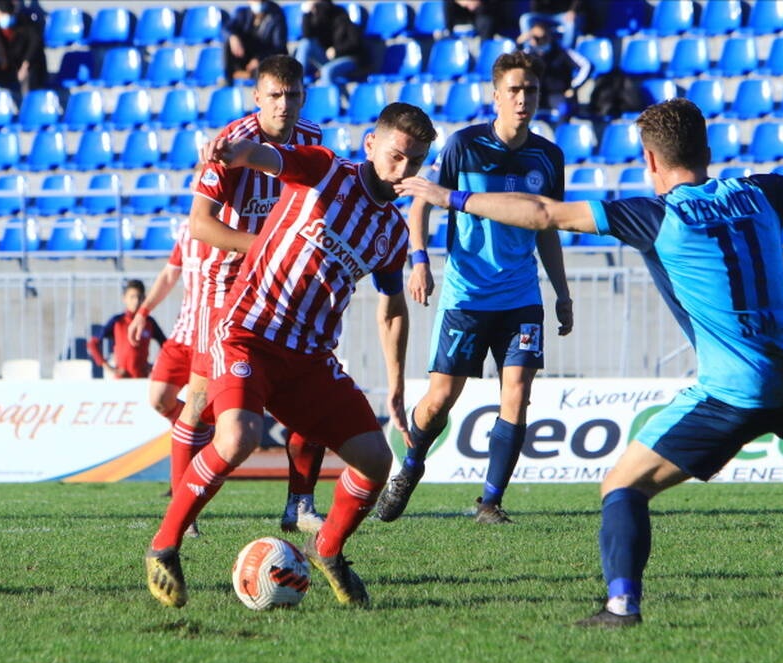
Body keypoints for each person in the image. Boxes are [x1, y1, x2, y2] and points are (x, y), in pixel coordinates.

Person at [396, 98, 783, 626]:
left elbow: (545, 214)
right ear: (706, 151)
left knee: (622, 486)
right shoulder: (760, 192)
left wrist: (450, 197)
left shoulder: (655, 215)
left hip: (733, 385)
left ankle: (622, 605)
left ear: (651, 160)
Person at [144, 101, 437, 609]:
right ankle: (164, 546)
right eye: (396, 157)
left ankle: (327, 550)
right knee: (237, 436)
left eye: (414, 163)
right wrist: (233, 151)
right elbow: (268, 156)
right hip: (250, 333)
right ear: (371, 145)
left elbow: (391, 310)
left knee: (375, 461)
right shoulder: (325, 169)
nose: (403, 172)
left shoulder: (392, 231)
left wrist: (395, 386)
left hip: (309, 360)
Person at [374, 51, 574, 526]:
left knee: (518, 393)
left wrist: (562, 292)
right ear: (495, 96)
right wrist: (418, 260)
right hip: (466, 295)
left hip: (522, 295)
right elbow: (422, 201)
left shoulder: (548, 156)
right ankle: (410, 467)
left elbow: (548, 226)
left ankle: (489, 502)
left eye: (531, 91)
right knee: (442, 398)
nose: (523, 99)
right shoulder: (464, 146)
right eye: (514, 90)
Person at [185, 55, 328, 535]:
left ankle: (300, 505)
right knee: (202, 397)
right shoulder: (230, 143)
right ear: (256, 97)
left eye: (292, 95)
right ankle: (187, 513)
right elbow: (200, 225)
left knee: (309, 385)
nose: (283, 105)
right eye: (274, 95)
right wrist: (265, 248)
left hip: (281, 281)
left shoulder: (313, 139)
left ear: (303, 96)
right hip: (225, 276)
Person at [127, 219, 210, 536]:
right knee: (159, 399)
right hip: (181, 334)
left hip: (208, 335)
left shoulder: (228, 226)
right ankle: (201, 430)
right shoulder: (189, 229)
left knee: (190, 417)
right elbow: (169, 273)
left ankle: (183, 511)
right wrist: (143, 312)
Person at [88, 279, 167, 379]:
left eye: (139, 297)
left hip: (141, 378)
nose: (136, 301)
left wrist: (155, 366)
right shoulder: (117, 321)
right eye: (132, 297)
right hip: (122, 378)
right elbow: (93, 343)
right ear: (124, 298)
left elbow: (165, 345)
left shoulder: (149, 322)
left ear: (144, 299)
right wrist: (108, 367)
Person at [0, 0, 46, 105]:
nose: (5, 18)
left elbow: (35, 46)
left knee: (29, 78)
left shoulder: (26, 26)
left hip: (25, 67)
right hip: (7, 68)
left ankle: (28, 108)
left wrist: (25, 65)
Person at [519, 17, 590, 122]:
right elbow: (509, 65)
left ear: (548, 37)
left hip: (557, 94)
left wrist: (573, 87)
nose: (535, 41)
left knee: (564, 110)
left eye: (539, 38)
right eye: (532, 38)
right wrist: (518, 44)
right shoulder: (528, 53)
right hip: (537, 93)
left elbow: (586, 66)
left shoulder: (562, 51)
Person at [295, 0, 367, 85]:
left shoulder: (341, 14)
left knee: (326, 71)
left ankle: (330, 97)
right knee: (305, 43)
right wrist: (306, 14)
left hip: (349, 58)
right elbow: (307, 36)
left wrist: (336, 50)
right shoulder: (315, 16)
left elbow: (355, 42)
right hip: (329, 59)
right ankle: (295, 79)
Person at [223, 0, 288, 84]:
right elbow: (226, 29)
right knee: (228, 43)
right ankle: (230, 77)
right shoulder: (242, 13)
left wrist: (258, 59)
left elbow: (279, 46)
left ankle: (250, 75)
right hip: (245, 56)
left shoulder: (276, 15)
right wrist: (233, 37)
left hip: (266, 56)